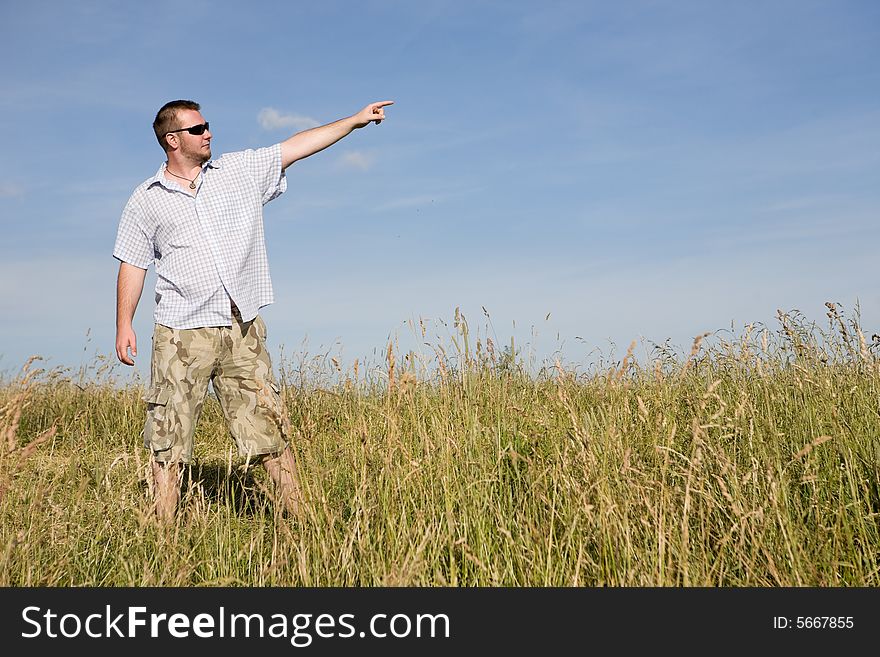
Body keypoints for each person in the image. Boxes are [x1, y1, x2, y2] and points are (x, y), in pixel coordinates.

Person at [113, 98, 393, 521]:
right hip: (180, 331)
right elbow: (132, 263)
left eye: (207, 125)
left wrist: (353, 121)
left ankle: (303, 522)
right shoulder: (146, 199)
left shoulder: (238, 172)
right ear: (172, 140)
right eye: (196, 129)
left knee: (269, 427)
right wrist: (123, 324)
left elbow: (296, 145)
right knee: (168, 434)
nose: (208, 133)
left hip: (240, 326)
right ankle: (162, 536)